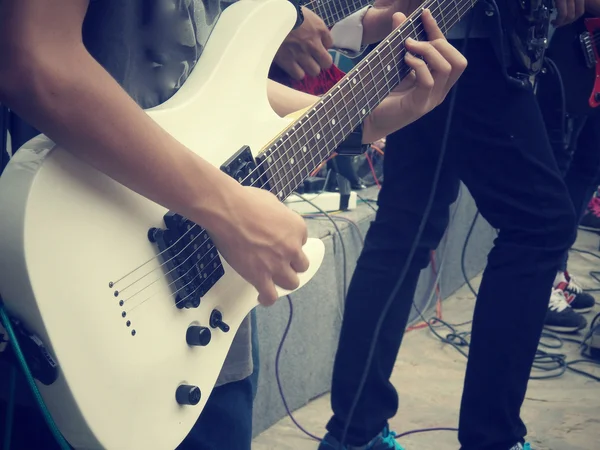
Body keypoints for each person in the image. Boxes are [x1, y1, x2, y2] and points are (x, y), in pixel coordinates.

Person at [0, 0, 467, 449]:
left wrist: (372, 115)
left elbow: (216, 78)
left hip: (207, 315)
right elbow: (36, 60)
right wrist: (227, 209)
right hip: (79, 293)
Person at [317, 0, 587, 449]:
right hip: (466, 42)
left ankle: (354, 432)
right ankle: (491, 439)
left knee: (403, 229)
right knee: (541, 226)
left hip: (432, 42)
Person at [535, 0, 600, 333]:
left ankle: (558, 271)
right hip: (571, 37)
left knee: (589, 166)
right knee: (559, 163)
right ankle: (541, 281)